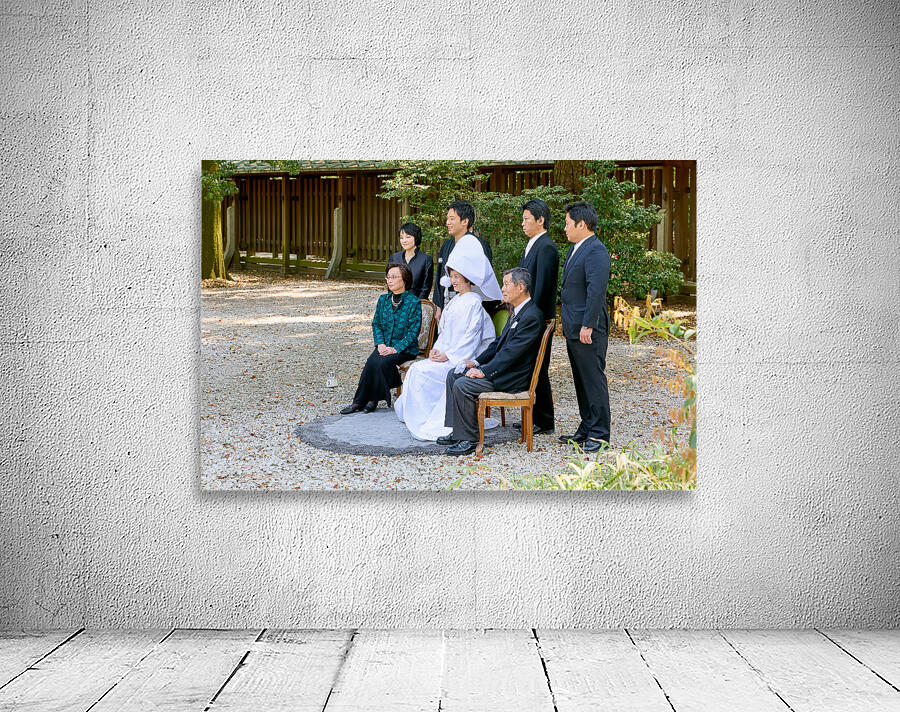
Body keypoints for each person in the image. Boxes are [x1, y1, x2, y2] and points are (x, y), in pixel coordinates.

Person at [394, 238, 500, 441]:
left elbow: (471, 339)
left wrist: (449, 355)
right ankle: (415, 415)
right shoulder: (455, 301)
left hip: (464, 357)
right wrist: (436, 350)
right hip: (448, 353)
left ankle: (434, 419)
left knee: (422, 371)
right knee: (418, 368)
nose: (454, 281)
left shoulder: (474, 304)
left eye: (458, 277)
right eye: (451, 276)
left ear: (468, 279)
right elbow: (446, 335)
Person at [439, 268, 544, 456]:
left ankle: (469, 440)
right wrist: (476, 362)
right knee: (453, 374)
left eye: (506, 284)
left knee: (463, 384)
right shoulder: (518, 311)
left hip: (513, 377)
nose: (502, 289)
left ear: (520, 288)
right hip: (503, 370)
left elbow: (511, 354)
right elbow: (497, 345)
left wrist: (484, 371)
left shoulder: (531, 316)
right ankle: (458, 431)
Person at [557, 201, 611, 452]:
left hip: (588, 328)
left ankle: (600, 433)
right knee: (580, 379)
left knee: (593, 378)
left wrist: (588, 324)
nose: (564, 228)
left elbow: (596, 290)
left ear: (581, 224)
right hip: (573, 327)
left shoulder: (596, 250)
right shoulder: (576, 248)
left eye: (568, 224)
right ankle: (587, 426)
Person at [339, 263, 421, 415]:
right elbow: (376, 324)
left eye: (394, 277)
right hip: (385, 345)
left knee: (382, 362)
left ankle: (372, 399)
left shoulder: (413, 302)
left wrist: (395, 348)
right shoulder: (383, 300)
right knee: (371, 361)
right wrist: (380, 343)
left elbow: (413, 332)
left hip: (405, 349)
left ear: (405, 279)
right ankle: (358, 402)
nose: (390, 280)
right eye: (388, 277)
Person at [517, 198, 559, 436]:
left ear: (540, 220)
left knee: (539, 368)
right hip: (529, 316)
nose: (522, 224)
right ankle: (531, 413)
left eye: (526, 219)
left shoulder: (546, 247)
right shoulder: (532, 244)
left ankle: (544, 420)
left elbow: (542, 288)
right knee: (530, 366)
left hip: (539, 318)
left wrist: (532, 317)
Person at [433, 200, 494, 321]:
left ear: (465, 221)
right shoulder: (447, 245)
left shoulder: (480, 245)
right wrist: (438, 305)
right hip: (447, 301)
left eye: (452, 219)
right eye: (447, 219)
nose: (447, 223)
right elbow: (440, 274)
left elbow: (482, 278)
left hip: (470, 304)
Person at [388, 222, 433, 300]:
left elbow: (426, 288)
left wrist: (415, 305)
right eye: (401, 237)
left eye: (408, 237)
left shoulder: (426, 259)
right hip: (396, 302)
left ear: (416, 237)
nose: (404, 241)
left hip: (417, 303)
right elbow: (390, 283)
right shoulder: (394, 258)